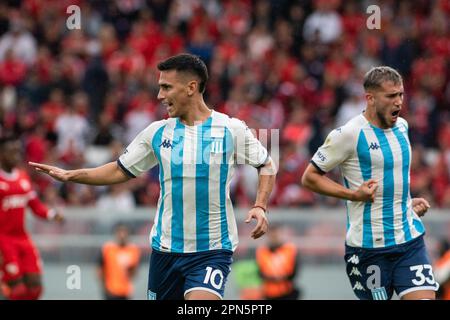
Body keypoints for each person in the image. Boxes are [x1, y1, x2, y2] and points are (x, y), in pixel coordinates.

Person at [29, 53, 277, 300]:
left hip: (212, 250)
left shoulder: (230, 129)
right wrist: (72, 175)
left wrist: (260, 205)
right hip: (165, 249)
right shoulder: (157, 132)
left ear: (191, 87)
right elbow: (119, 169)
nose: (160, 96)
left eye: (166, 87)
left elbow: (266, 164)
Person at [301, 66, 439, 300]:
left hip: (409, 242)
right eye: (391, 96)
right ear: (370, 98)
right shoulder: (348, 134)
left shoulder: (403, 127)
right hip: (369, 250)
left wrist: (404, 202)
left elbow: (392, 178)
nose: (398, 102)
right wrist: (354, 195)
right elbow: (310, 178)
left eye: (401, 95)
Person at [0, 135, 64, 300]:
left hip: (22, 238)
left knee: (35, 287)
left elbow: (35, 205)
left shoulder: (23, 177)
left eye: (17, 152)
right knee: (17, 290)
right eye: (11, 152)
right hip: (4, 240)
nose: (16, 156)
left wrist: (51, 214)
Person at [256, 223, 300, 300]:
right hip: (269, 293)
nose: (274, 237)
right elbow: (260, 272)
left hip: (287, 291)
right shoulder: (262, 251)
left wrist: (280, 278)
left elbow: (294, 272)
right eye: (272, 234)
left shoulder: (290, 249)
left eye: (275, 234)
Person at [98, 223, 141, 300]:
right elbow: (100, 269)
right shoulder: (108, 249)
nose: (122, 235)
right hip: (111, 290)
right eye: (120, 232)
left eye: (124, 232)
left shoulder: (133, 250)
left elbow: (134, 272)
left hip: (126, 291)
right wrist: (104, 287)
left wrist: (130, 271)